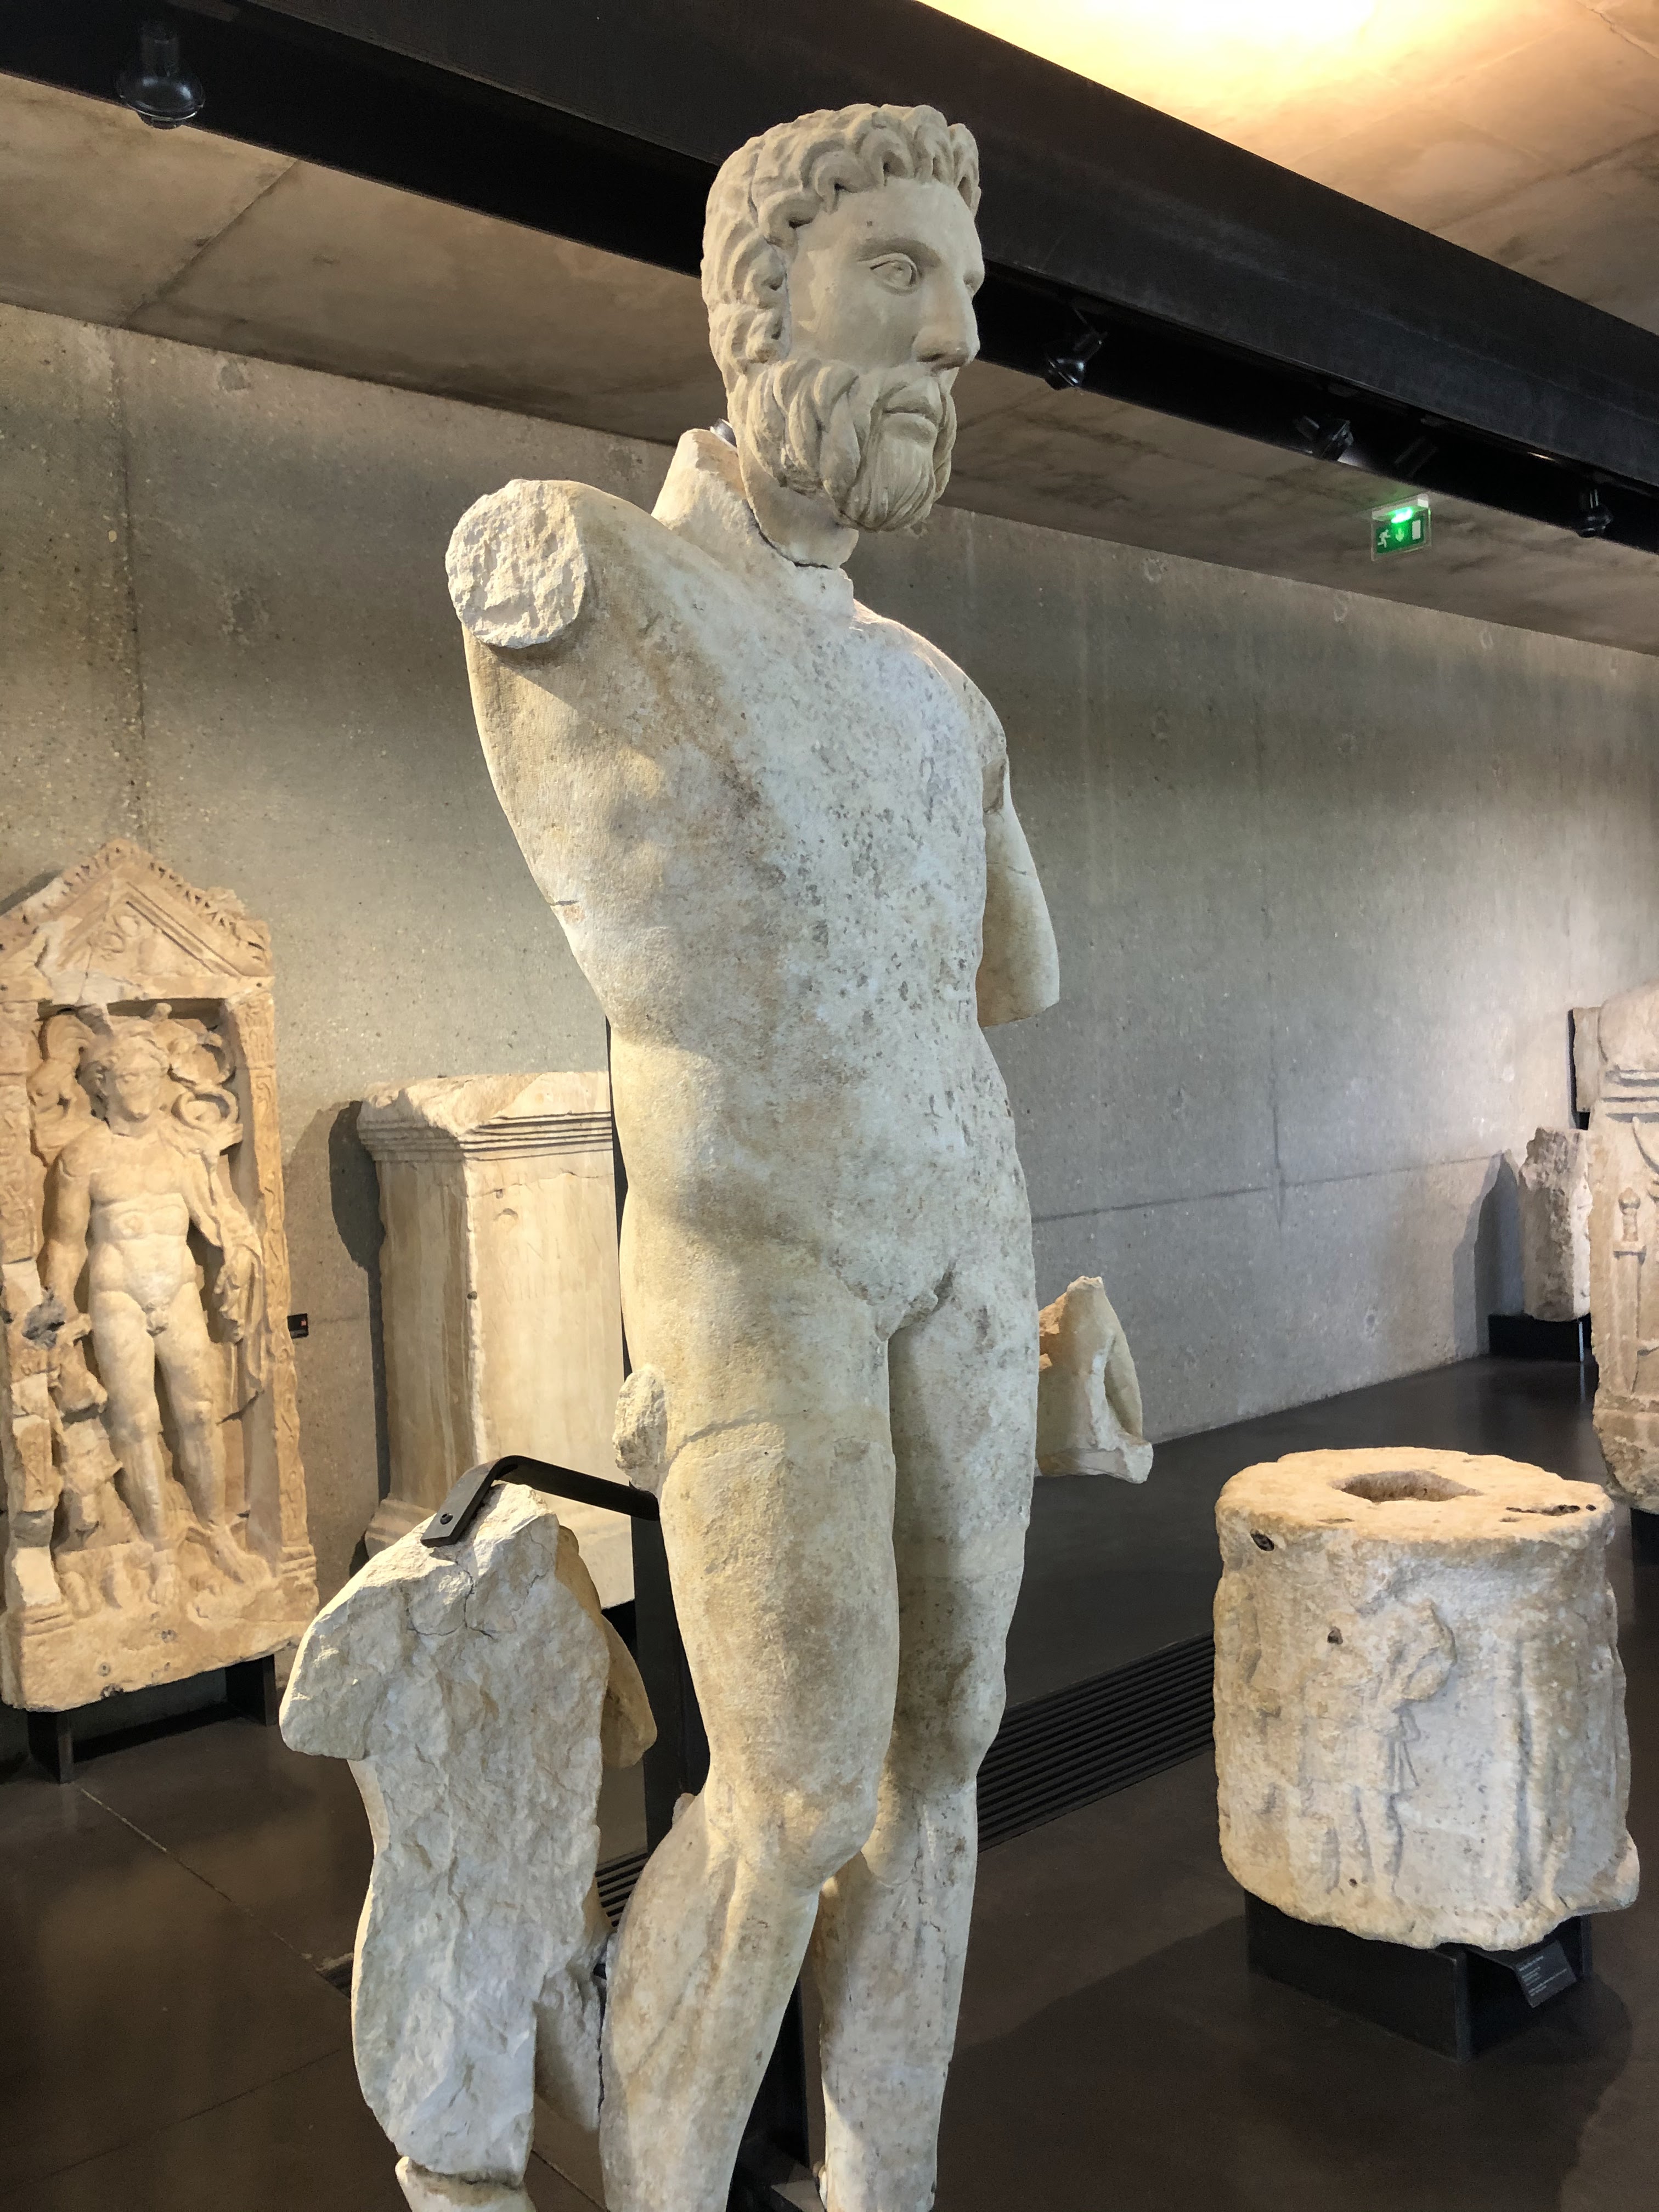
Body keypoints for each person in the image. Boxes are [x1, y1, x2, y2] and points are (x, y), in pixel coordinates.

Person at [449, 104, 1058, 2212]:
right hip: (753, 1261)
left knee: (945, 1753)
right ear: (756, 299)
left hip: (963, 1243)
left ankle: (881, 2183)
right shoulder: (579, 569)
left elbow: (990, 994)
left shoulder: (940, 696)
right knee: (789, 1788)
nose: (951, 335)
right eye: (897, 271)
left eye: (961, 289)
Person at [39, 1011, 261, 1593]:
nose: (143, 1088)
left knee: (199, 1412)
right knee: (136, 1423)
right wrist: (56, 1321)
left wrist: (239, 1254)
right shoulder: (85, 1155)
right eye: (130, 1077)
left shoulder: (183, 1148)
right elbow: (65, 1246)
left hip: (179, 1293)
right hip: (118, 1300)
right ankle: (161, 1548)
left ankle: (217, 1530)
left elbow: (220, 1217)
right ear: (102, 1084)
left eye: (151, 1075)